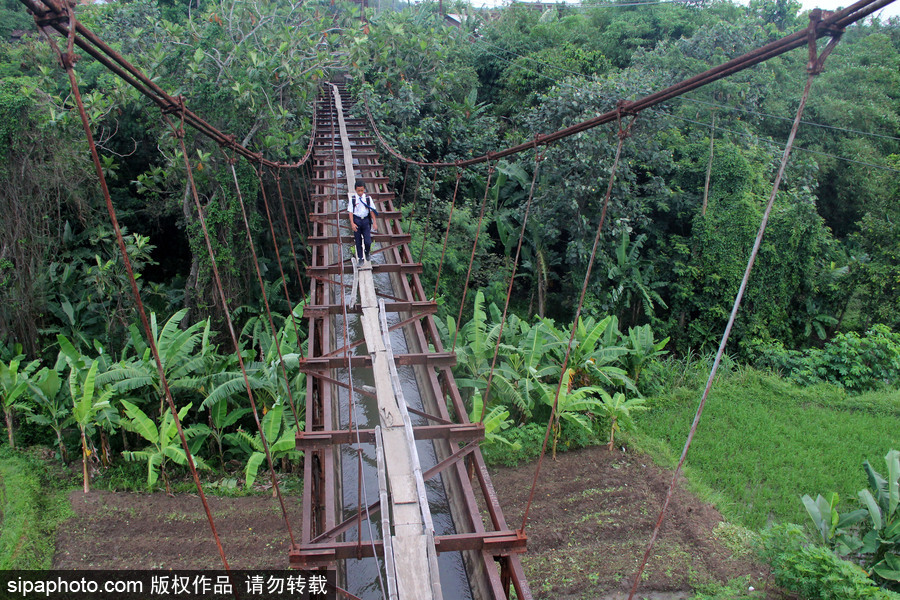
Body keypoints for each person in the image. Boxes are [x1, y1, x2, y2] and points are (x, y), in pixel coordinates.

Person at [347, 181, 378, 263]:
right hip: (356, 220)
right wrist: (352, 223)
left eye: (361, 190)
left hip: (365, 221)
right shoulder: (353, 199)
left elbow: (371, 211)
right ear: (355, 190)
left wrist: (374, 222)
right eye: (358, 191)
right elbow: (350, 212)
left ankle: (367, 251)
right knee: (358, 241)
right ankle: (361, 258)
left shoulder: (368, 198)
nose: (360, 192)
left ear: (364, 189)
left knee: (368, 241)